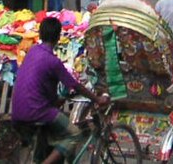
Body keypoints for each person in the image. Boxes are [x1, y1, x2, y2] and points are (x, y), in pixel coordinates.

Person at [11, 18, 110, 164]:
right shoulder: (53, 61)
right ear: (58, 36)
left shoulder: (33, 52)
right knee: (74, 134)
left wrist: (59, 98)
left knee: (52, 132)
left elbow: (40, 84)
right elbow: (76, 85)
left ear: (40, 34)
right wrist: (97, 99)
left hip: (18, 110)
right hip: (37, 111)